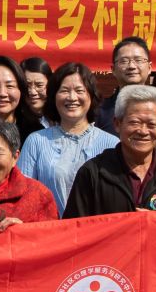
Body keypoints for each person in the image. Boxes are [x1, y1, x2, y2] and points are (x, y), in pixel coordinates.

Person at [64, 84, 156, 217]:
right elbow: (76, 229)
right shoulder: (93, 173)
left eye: (151, 124)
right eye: (134, 122)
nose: (143, 131)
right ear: (117, 124)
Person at [17, 60, 118, 212]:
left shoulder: (111, 144)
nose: (72, 97)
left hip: (98, 226)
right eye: (64, 90)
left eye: (79, 90)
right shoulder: (36, 141)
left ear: (91, 96)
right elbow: (21, 194)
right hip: (49, 226)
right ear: (54, 96)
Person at [93, 37, 154, 130]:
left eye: (138, 60)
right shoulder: (99, 110)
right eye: (124, 61)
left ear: (149, 68)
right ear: (113, 69)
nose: (131, 66)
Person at [19, 56, 54, 121]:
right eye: (27, 85)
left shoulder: (62, 118)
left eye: (39, 85)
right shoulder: (15, 120)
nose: (33, 92)